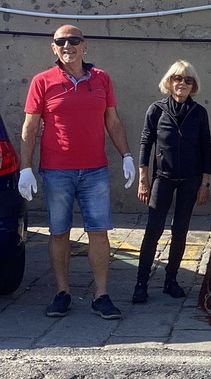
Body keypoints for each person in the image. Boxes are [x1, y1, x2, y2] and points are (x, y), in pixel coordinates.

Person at [18, 25, 135, 319]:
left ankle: (102, 295)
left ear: (85, 46)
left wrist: (128, 155)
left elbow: (114, 121)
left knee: (99, 232)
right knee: (59, 233)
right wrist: (25, 168)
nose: (67, 45)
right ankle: (62, 293)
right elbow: (30, 127)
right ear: (53, 47)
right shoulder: (42, 82)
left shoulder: (102, 79)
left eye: (74, 40)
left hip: (95, 171)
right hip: (57, 172)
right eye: (61, 41)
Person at [132, 60, 211, 304]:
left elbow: (205, 148)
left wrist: (204, 183)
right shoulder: (156, 110)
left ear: (193, 85)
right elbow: (146, 143)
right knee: (153, 229)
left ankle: (171, 280)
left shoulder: (198, 112)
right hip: (162, 179)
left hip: (190, 180)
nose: (182, 84)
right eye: (178, 78)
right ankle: (141, 282)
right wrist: (143, 178)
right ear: (170, 82)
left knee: (180, 231)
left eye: (188, 80)